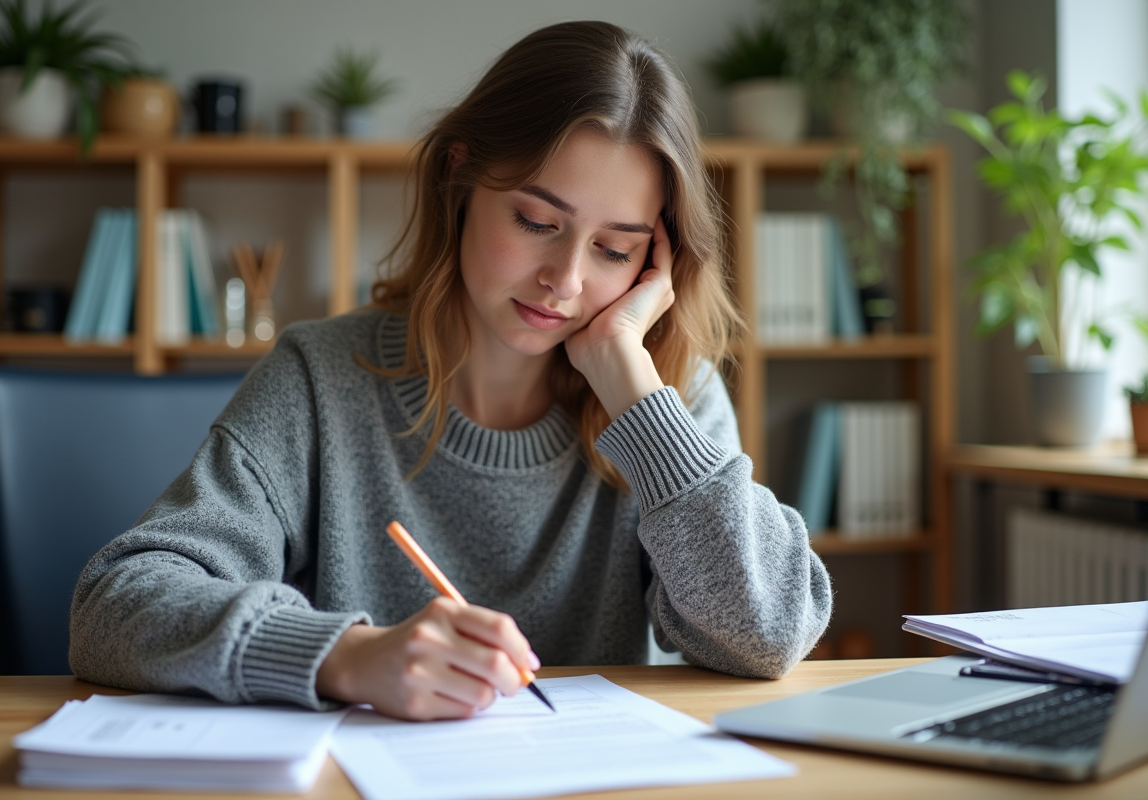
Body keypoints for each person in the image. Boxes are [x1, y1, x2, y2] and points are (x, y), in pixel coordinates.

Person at [70, 20, 832, 721]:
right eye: (537, 222)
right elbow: (114, 605)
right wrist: (344, 656)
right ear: (460, 179)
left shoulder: (669, 399)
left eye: (615, 249)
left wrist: (634, 392)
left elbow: (766, 639)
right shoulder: (319, 377)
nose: (564, 281)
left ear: (656, 261)